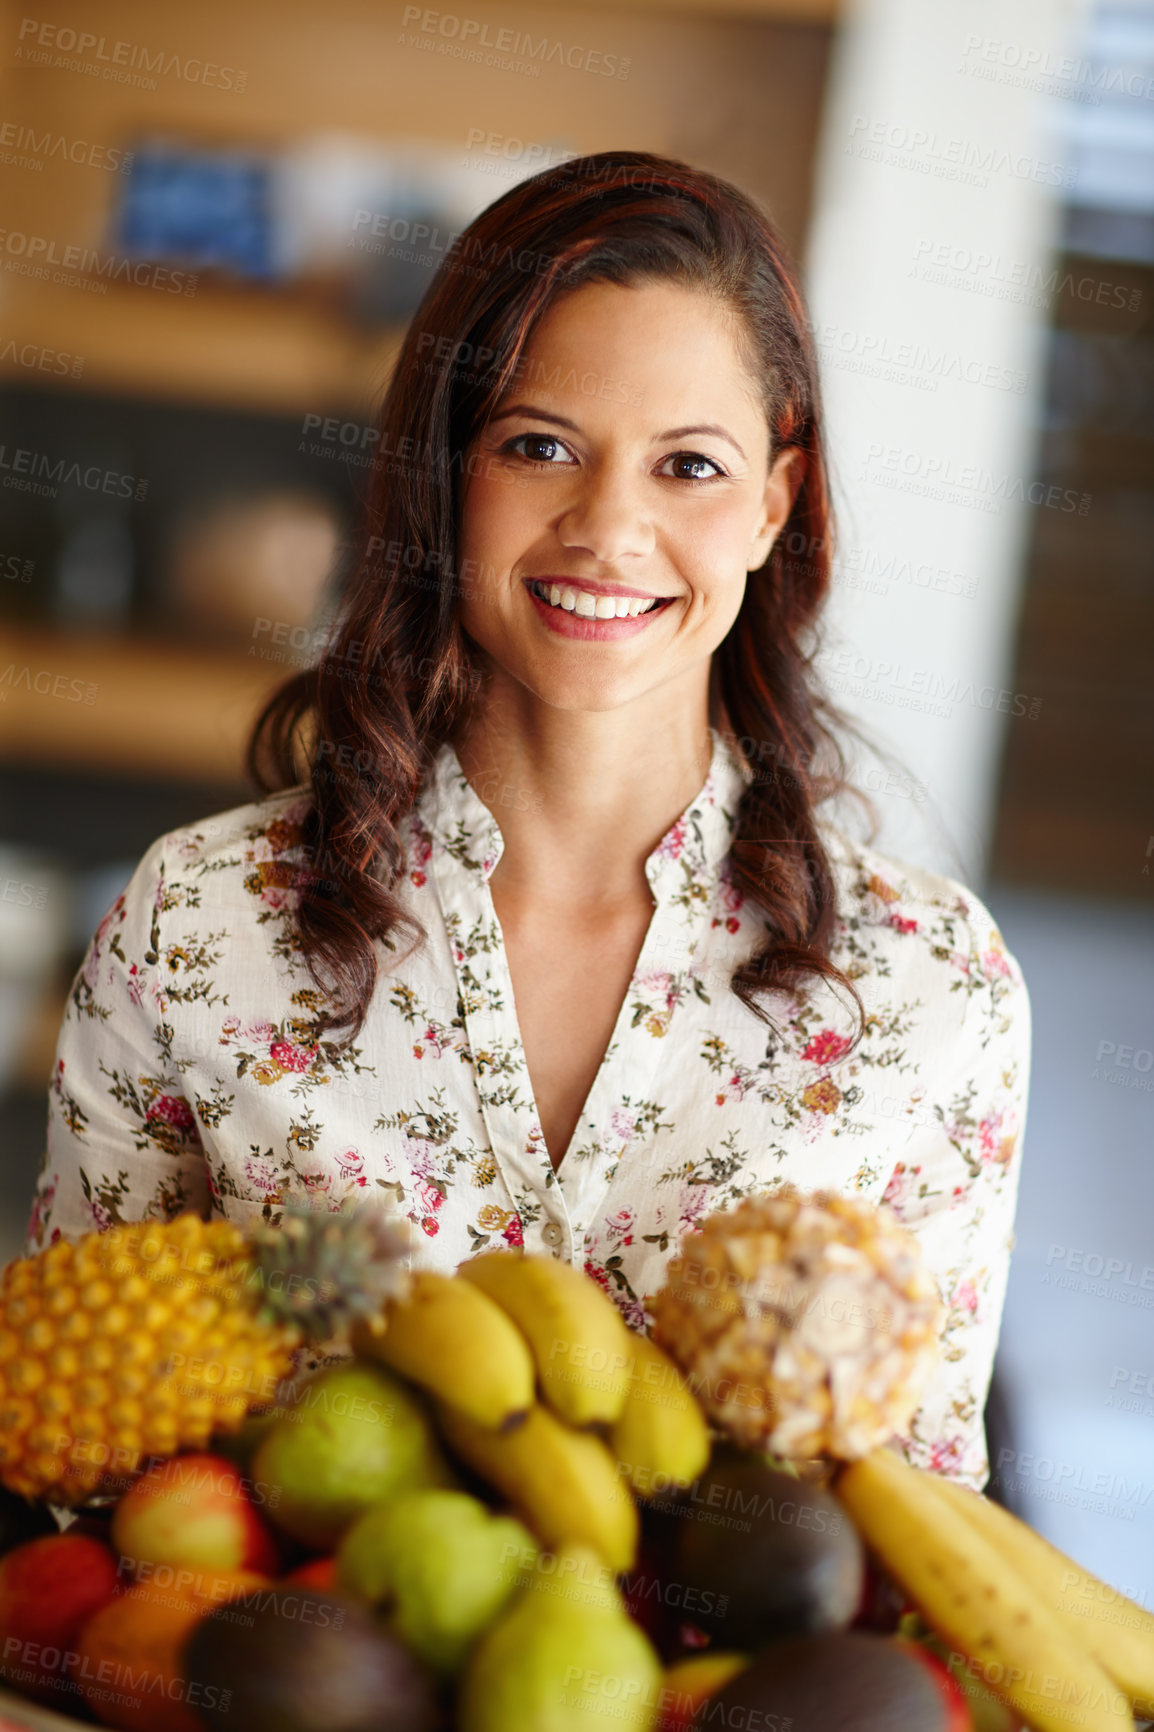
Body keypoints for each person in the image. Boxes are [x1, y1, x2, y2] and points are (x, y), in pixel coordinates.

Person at [26, 151, 1031, 1490]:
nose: (609, 528)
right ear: (446, 469)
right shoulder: (199, 922)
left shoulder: (930, 985)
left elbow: (922, 1538)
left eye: (689, 465)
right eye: (539, 445)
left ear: (774, 500)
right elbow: (71, 1469)